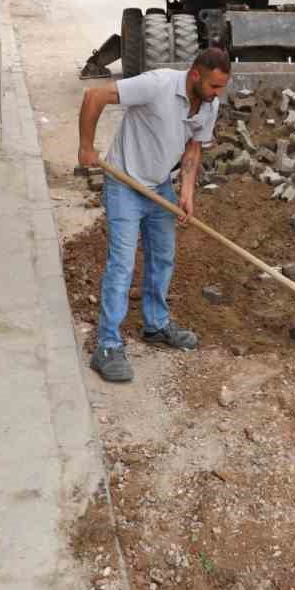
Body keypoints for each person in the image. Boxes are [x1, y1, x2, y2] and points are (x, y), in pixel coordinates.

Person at [76, 47, 231, 382]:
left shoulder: (209, 104)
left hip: (159, 186)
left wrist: (186, 192)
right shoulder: (157, 84)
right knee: (122, 264)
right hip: (124, 182)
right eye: (214, 86)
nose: (219, 94)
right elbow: (94, 96)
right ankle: (107, 345)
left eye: (222, 87)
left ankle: (156, 325)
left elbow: (193, 147)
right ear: (195, 75)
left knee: (162, 257)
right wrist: (86, 147)